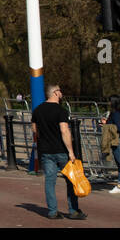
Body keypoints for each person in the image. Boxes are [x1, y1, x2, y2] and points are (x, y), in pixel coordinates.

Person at [31, 84, 85, 220]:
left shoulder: (37, 110)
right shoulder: (61, 111)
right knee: (71, 180)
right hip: (61, 150)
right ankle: (73, 210)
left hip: (45, 151)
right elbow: (64, 131)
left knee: (50, 181)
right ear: (55, 93)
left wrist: (44, 138)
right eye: (60, 90)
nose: (61, 93)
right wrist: (71, 151)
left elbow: (34, 129)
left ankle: (52, 211)